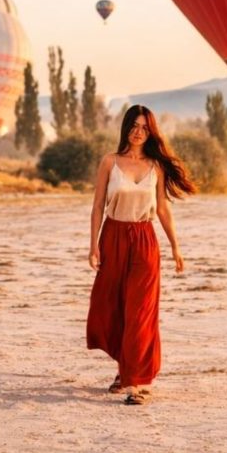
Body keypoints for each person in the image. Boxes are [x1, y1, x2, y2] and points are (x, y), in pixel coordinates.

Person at [86, 104, 196, 406]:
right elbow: (97, 206)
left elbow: (162, 208)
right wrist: (93, 244)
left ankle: (137, 382)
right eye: (134, 126)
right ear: (125, 127)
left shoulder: (156, 167)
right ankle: (126, 368)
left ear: (151, 132)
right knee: (114, 306)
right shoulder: (110, 162)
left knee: (140, 311)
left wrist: (175, 246)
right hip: (113, 237)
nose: (138, 132)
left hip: (144, 240)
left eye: (145, 127)